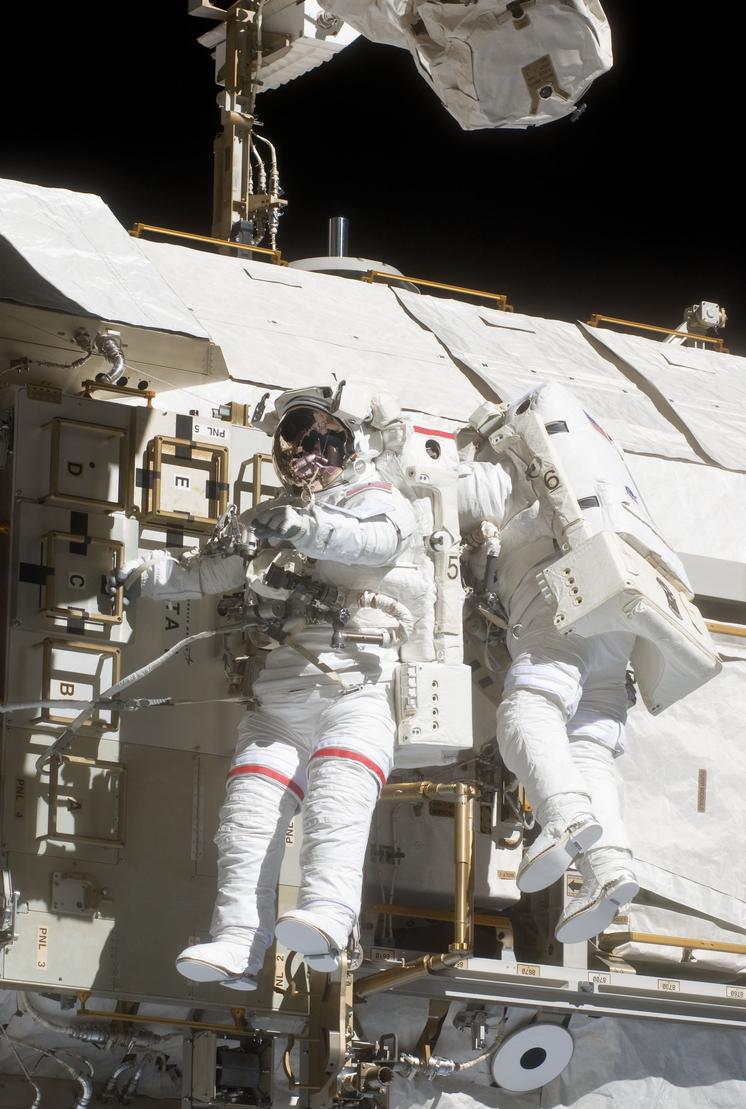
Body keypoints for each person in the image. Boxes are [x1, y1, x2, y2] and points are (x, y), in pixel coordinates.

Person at [113, 385, 433, 989]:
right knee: (245, 818)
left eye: (324, 438)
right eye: (297, 439)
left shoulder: (379, 500)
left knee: (337, 807)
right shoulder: (271, 516)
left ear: (350, 442)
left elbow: (372, 542)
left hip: (357, 686)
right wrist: (144, 576)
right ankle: (237, 942)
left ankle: (329, 921)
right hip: (282, 694)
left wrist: (306, 528)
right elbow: (207, 570)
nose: (310, 452)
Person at [457, 382, 646, 944]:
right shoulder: (604, 478)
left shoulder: (510, 468)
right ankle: (608, 867)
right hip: (623, 610)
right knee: (587, 744)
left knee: (528, 711)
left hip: (560, 598)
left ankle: (561, 813)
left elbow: (442, 499)